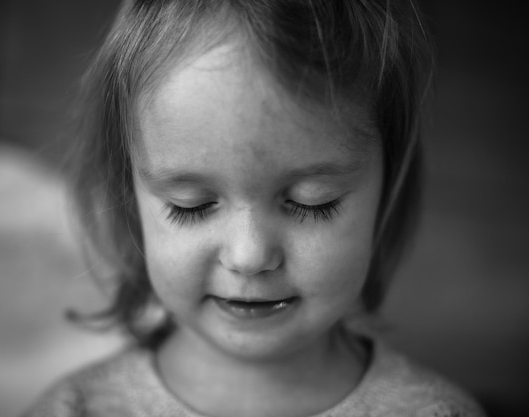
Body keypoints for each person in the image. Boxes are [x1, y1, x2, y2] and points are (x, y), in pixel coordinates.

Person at [24, 0, 487, 416]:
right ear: (131, 202)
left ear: (387, 192)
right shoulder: (76, 409)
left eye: (313, 203)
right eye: (193, 206)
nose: (249, 256)